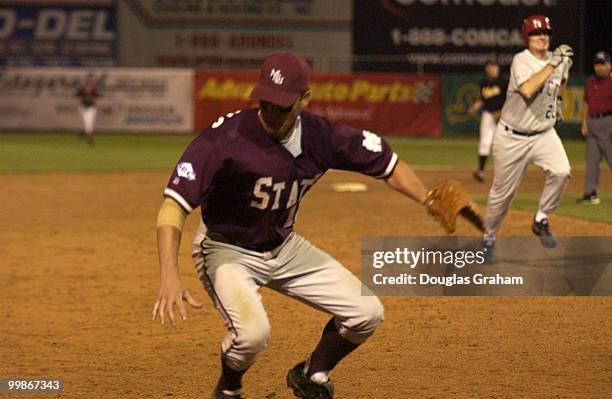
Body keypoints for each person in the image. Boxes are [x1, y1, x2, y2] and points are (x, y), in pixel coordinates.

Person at [152, 51, 434, 399]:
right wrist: (169, 276)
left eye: (282, 105)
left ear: (305, 100)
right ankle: (228, 388)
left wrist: (428, 198)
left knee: (367, 313)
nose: (271, 113)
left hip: (284, 247)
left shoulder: (321, 137)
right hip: (226, 250)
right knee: (252, 336)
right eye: (266, 102)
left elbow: (387, 161)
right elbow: (172, 208)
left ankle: (312, 374)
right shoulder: (224, 138)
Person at [482, 15, 573, 251]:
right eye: (536, 33)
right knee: (502, 196)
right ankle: (489, 237)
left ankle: (541, 217)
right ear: (526, 38)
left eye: (546, 32)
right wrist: (555, 63)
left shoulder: (558, 60)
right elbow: (528, 90)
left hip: (544, 133)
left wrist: (560, 89)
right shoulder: (521, 60)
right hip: (513, 135)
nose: (542, 36)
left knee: (562, 171)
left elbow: (559, 86)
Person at [578, 51, 612, 205]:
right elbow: (586, 103)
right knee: (592, 161)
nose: (600, 67)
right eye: (597, 64)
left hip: (608, 122)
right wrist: (584, 123)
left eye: (603, 64)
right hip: (592, 123)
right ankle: (590, 193)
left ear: (609, 65)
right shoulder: (590, 82)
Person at [468, 59, 509, 182]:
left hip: (502, 115)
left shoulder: (504, 81)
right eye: (489, 67)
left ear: (498, 68)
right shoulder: (484, 82)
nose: (491, 69)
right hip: (488, 115)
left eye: (493, 67)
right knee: (485, 142)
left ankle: (506, 173)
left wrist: (504, 112)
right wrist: (475, 106)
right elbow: (482, 99)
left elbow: (511, 98)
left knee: (502, 144)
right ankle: (480, 171)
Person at [75, 76, 101, 145]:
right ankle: (87, 134)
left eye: (89, 83)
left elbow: (99, 96)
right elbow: (76, 95)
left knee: (89, 122)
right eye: (87, 83)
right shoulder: (82, 90)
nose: (88, 84)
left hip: (91, 108)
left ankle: (88, 137)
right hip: (83, 108)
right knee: (87, 122)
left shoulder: (93, 90)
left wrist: (97, 102)